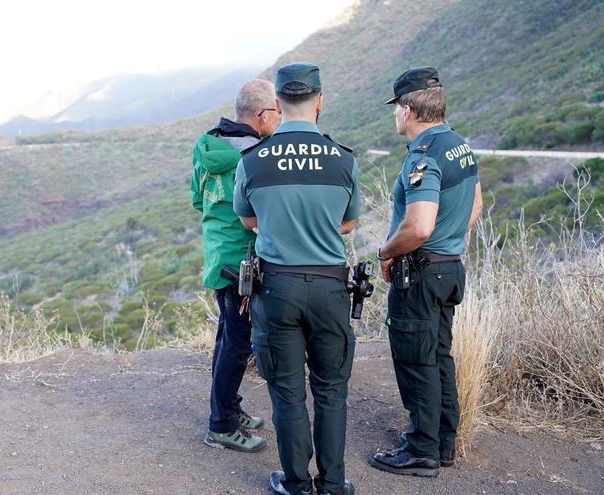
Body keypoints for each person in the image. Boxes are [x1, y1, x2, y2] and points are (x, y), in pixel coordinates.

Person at [233, 63, 359, 495]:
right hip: (329, 287)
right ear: (319, 102)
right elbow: (349, 222)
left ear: (279, 105)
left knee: (287, 390)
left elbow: (248, 219)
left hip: (277, 288)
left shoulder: (252, 161)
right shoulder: (343, 158)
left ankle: (295, 483)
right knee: (331, 388)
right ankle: (334, 483)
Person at [370, 67, 483, 477]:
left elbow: (418, 226)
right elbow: (475, 206)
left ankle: (421, 450)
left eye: (395, 108)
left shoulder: (424, 155)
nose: (394, 116)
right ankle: (443, 443)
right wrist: (448, 243)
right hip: (449, 268)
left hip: (420, 273)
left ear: (407, 109)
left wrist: (387, 251)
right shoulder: (460, 146)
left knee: (416, 360)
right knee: (438, 356)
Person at [191, 79, 280, 453]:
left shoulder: (207, 143)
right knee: (237, 343)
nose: (279, 117)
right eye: (276, 111)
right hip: (241, 263)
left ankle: (227, 407)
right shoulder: (255, 157)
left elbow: (199, 201)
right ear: (261, 116)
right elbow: (261, 213)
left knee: (226, 336)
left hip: (217, 255)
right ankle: (221, 425)